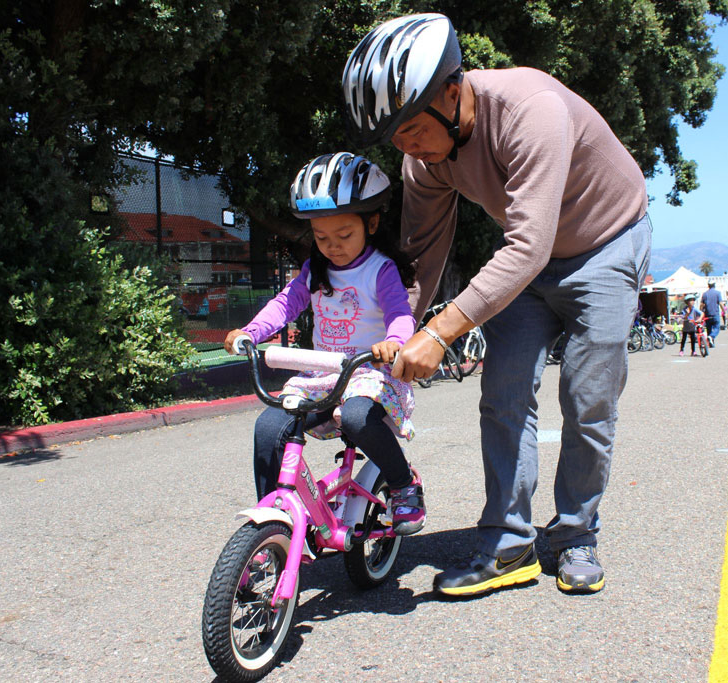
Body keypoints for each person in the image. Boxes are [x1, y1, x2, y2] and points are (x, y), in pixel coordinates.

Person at [342, 13, 652, 596]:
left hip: (606, 244)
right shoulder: (424, 160)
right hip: (526, 267)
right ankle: (509, 544)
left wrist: (439, 335)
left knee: (588, 398)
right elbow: (421, 255)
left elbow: (528, 244)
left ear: (453, 94)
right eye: (394, 138)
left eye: (411, 129)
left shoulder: (531, 109)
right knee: (503, 393)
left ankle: (575, 535)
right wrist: (396, 332)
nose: (406, 148)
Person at [223, 153, 426, 536]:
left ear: (371, 223)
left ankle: (403, 485)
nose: (332, 246)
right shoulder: (314, 270)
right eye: (321, 237)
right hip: (324, 375)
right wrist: (251, 331)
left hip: (369, 374)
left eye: (344, 235)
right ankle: (273, 521)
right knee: (269, 426)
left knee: (356, 417)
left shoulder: (379, 269)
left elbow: (400, 313)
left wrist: (395, 342)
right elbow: (285, 304)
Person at [700, 281, 722, 347]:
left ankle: (711, 344)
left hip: (707, 314)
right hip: (715, 314)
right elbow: (720, 303)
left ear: (708, 285)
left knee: (709, 329)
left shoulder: (705, 294)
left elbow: (701, 305)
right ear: (714, 285)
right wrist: (725, 311)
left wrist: (701, 313)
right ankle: (711, 337)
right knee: (717, 328)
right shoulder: (718, 293)